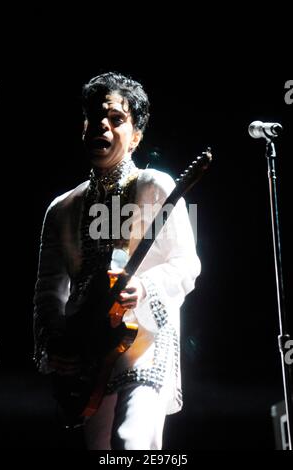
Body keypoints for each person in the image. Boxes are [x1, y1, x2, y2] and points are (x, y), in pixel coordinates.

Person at [33, 72, 201, 450]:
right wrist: (55, 344)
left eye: (116, 118)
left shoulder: (158, 187)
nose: (102, 126)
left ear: (137, 135)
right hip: (88, 355)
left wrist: (144, 287)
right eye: (94, 117)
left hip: (145, 344)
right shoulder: (61, 209)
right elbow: (48, 291)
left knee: (132, 441)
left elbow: (188, 265)